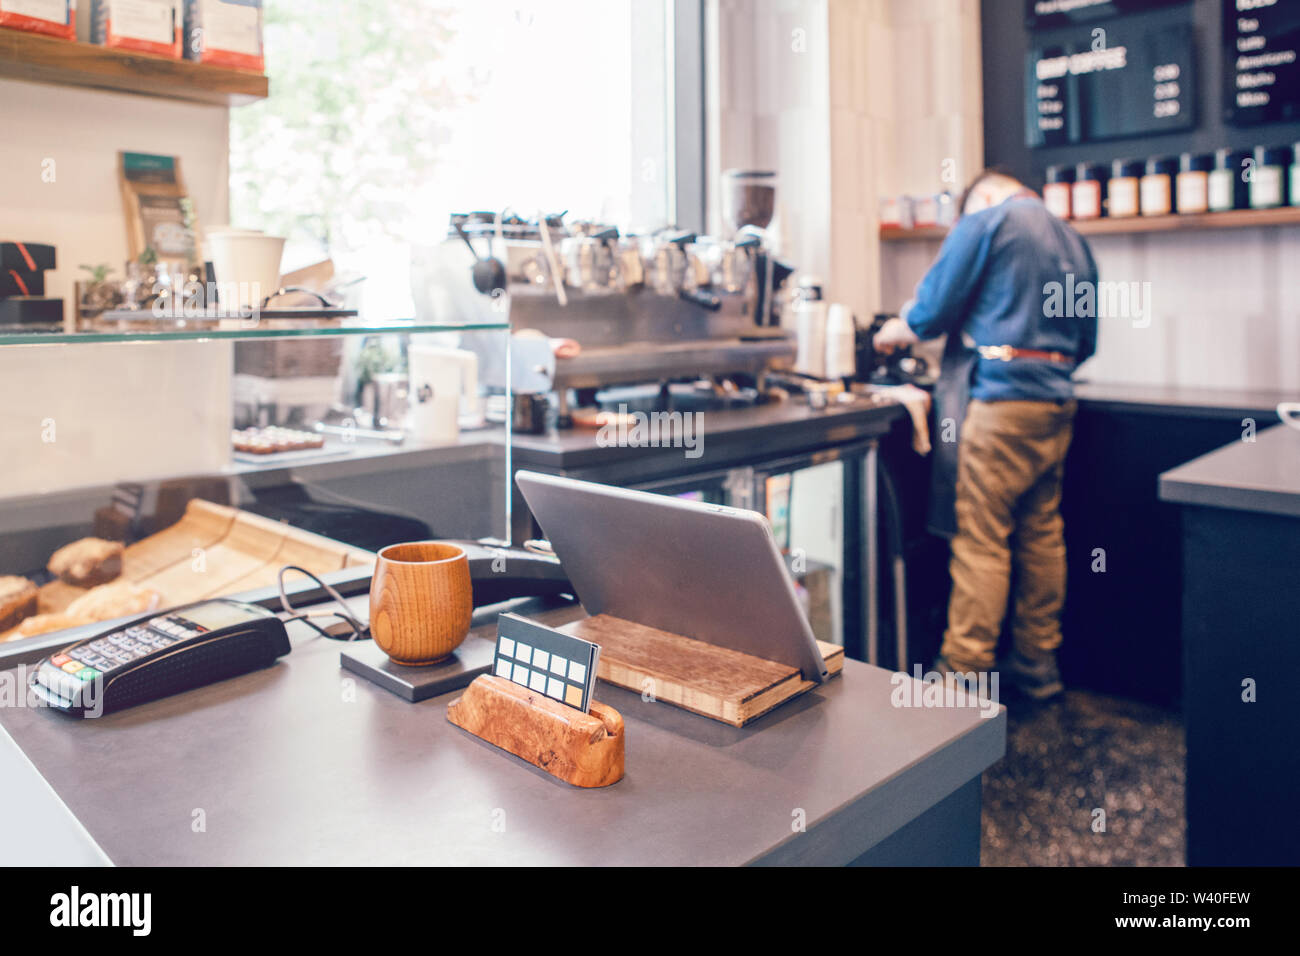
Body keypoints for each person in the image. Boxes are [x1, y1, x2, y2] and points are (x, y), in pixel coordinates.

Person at [873, 169, 1098, 700]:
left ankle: (961, 676)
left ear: (984, 195)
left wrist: (890, 333)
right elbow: (1086, 340)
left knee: (981, 540)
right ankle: (1037, 664)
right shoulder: (1074, 239)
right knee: (1042, 532)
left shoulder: (989, 220)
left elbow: (928, 314)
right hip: (1055, 400)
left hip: (1000, 404)